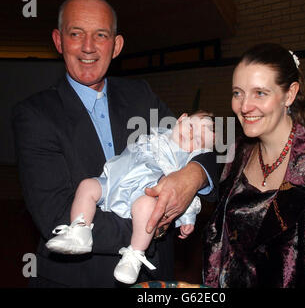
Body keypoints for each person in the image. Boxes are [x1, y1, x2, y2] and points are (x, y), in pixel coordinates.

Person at [12, 0, 218, 287]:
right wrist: (154, 223)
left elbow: (201, 145)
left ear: (116, 45)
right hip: (79, 279)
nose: (88, 47)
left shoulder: (141, 95)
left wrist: (194, 176)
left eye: (100, 35)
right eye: (75, 34)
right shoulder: (34, 115)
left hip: (153, 278)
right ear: (58, 41)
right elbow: (57, 216)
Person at [203, 43, 305, 288]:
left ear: (289, 94)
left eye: (260, 93)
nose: (244, 106)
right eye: (237, 93)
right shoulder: (234, 156)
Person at [45, 111, 215, 284]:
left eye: (198, 140)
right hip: (114, 182)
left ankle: (134, 255)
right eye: (192, 127)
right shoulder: (158, 133)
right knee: (87, 186)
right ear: (181, 119)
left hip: (143, 194)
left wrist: (188, 218)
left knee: (146, 208)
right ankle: (80, 231)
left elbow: (185, 193)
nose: (190, 135)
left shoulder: (184, 163)